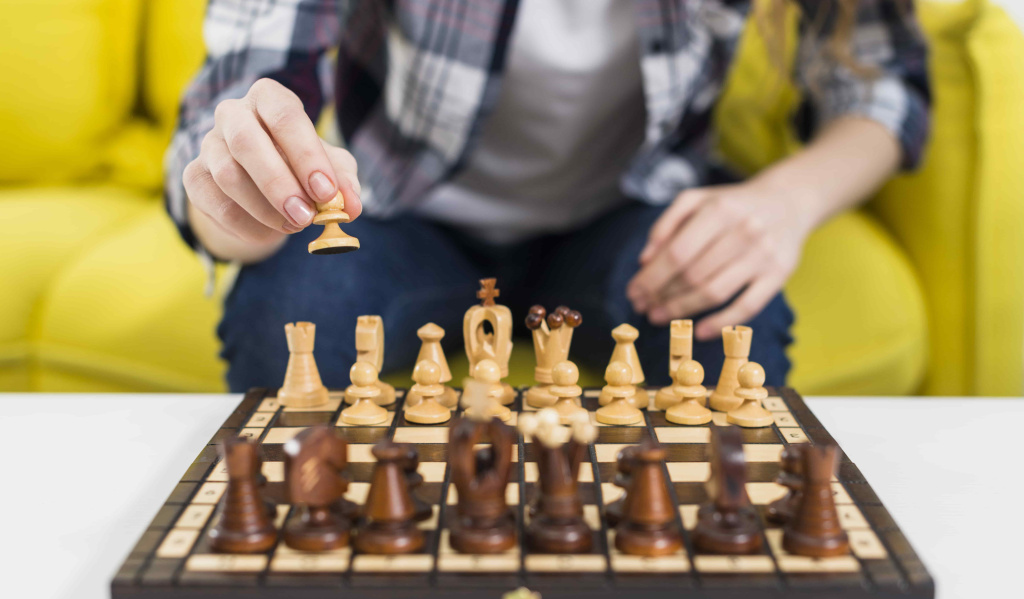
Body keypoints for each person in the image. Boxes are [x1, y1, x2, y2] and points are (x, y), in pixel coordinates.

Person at [166, 0, 930, 392]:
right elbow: (240, 95)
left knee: (734, 324)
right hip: (402, 213)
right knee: (284, 315)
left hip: (628, 211)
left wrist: (786, 201)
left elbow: (885, 83)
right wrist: (238, 200)